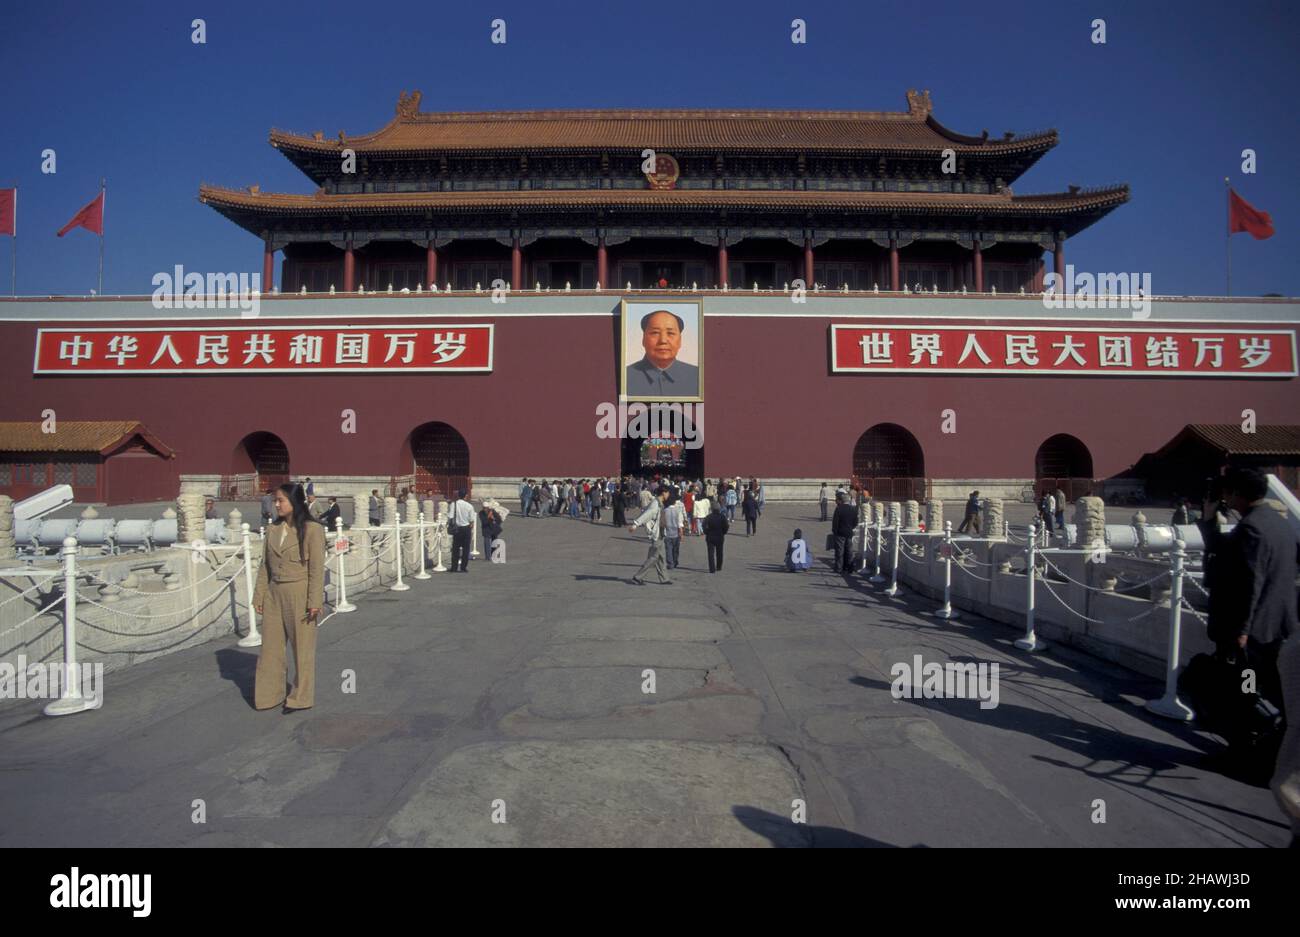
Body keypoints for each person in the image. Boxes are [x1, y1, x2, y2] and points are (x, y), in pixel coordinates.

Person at [1196, 468, 1297, 710]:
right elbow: (1225, 549)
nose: (1225, 499)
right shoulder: (1278, 523)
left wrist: (1243, 629)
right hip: (1278, 622)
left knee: (1246, 688)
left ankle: (1246, 737)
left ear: (1237, 493)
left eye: (1227, 493)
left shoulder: (1251, 528)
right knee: (1266, 685)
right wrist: (1210, 521)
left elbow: (1252, 582)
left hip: (1253, 630)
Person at [252, 483, 325, 712]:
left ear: (294, 502)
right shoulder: (273, 529)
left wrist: (314, 602)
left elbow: (316, 569)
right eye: (275, 500)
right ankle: (269, 696)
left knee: (302, 650)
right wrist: (259, 595)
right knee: (270, 649)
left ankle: (300, 697)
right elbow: (266, 566)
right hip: (275, 593)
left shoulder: (312, 530)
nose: (276, 504)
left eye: (280, 500)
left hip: (299, 593)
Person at [625, 309, 699, 398]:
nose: (663, 340)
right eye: (655, 333)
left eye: (670, 333)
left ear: (680, 341)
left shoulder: (697, 376)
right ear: (643, 339)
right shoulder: (625, 377)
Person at [628, 486, 672, 585]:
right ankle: (637, 577)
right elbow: (647, 514)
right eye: (668, 493)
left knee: (661, 557)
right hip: (657, 534)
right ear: (663, 493)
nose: (669, 495)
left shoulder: (659, 503)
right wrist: (635, 524)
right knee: (653, 557)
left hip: (661, 533)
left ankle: (664, 578)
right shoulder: (655, 504)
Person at [449, 489, 475, 572]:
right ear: (465, 496)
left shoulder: (454, 504)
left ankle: (454, 567)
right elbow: (471, 520)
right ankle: (463, 567)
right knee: (466, 549)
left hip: (457, 529)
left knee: (455, 549)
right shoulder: (469, 506)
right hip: (466, 528)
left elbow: (450, 516)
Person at [831, 492, 858, 573]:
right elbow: (855, 522)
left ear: (842, 500)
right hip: (849, 532)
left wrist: (835, 531)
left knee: (839, 551)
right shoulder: (853, 509)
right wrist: (851, 528)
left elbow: (835, 522)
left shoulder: (839, 509)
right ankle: (849, 567)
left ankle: (839, 568)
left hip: (840, 533)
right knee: (849, 551)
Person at [703, 503, 729, 573]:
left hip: (710, 536)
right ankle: (719, 566)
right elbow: (726, 526)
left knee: (710, 553)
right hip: (720, 536)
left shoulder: (708, 517)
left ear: (711, 509)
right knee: (720, 552)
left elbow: (704, 526)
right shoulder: (722, 517)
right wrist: (723, 532)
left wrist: (706, 532)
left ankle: (712, 569)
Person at [662, 494, 685, 569]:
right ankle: (675, 562)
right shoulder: (678, 511)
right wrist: (681, 534)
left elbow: (663, 523)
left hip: (667, 533)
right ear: (674, 502)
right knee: (676, 549)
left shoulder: (665, 511)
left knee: (668, 550)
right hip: (676, 533)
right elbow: (680, 524)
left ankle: (670, 563)